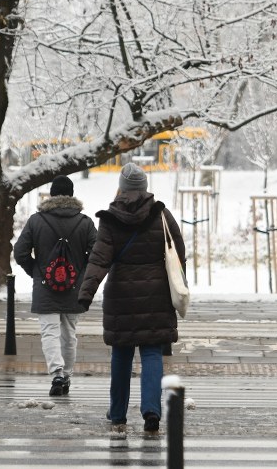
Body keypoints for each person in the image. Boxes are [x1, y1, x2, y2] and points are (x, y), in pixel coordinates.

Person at [78, 163, 186, 432]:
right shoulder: (161, 215)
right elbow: (178, 252)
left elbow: (99, 260)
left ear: (122, 188)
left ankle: (117, 414)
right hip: (156, 295)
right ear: (145, 187)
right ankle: (151, 411)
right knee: (151, 353)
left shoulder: (110, 220)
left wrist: (85, 293)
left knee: (121, 354)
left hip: (121, 296)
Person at [14, 176, 97, 396]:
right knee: (69, 333)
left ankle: (57, 374)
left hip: (45, 285)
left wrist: (36, 271)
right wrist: (81, 274)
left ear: (51, 195)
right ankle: (67, 375)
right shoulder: (85, 222)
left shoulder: (36, 221)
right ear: (71, 195)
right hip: (74, 288)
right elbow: (98, 254)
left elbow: (19, 252)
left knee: (49, 332)